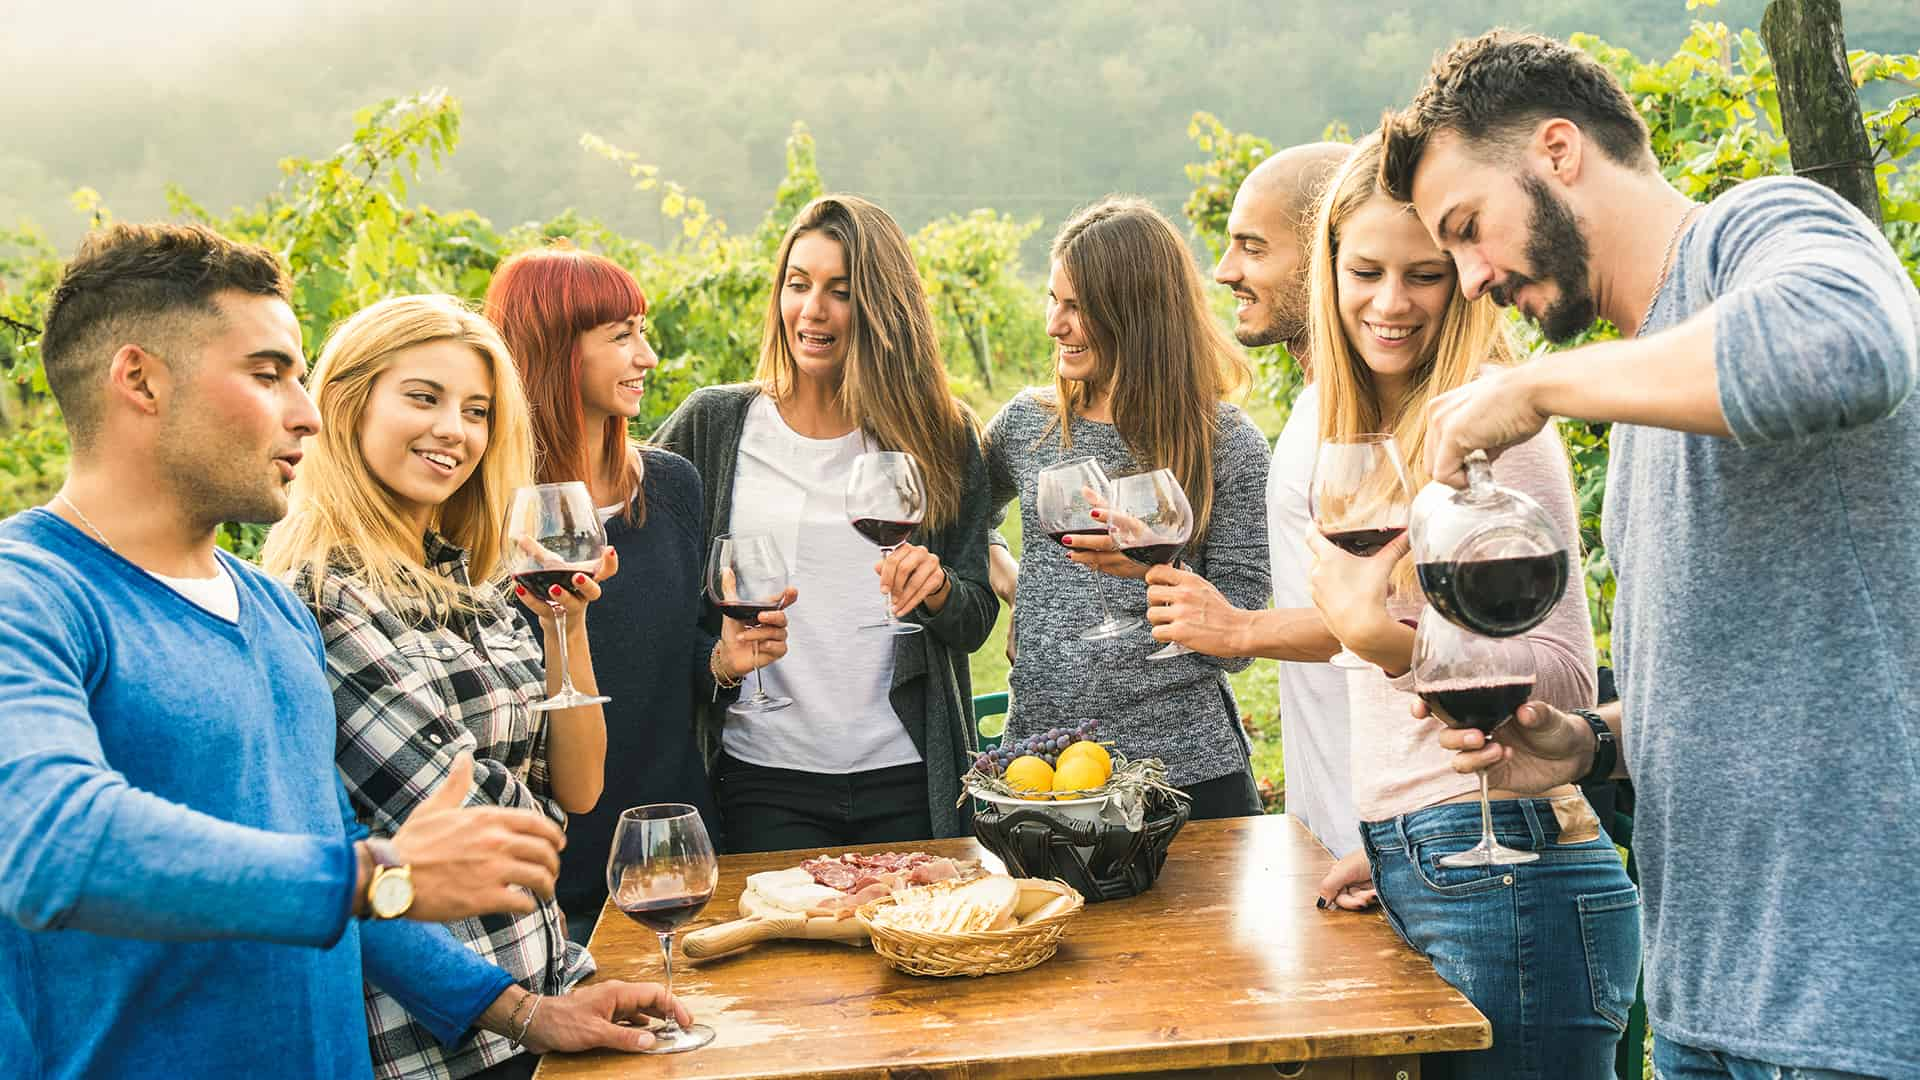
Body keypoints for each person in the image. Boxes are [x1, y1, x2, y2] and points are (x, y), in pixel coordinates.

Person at [0, 224, 688, 1080]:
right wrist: (372, 874)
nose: (307, 412)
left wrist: (523, 1011)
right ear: (139, 378)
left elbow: (340, 867)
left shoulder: (267, 615)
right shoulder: (28, 595)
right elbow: (50, 844)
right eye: (267, 374)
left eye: (301, 375)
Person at [1380, 30, 1920, 1080]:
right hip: (1705, 1014)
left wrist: (1536, 389)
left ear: (1560, 150)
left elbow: (1849, 341)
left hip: (1855, 1009)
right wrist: (1587, 744)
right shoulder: (1643, 402)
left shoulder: (1758, 230)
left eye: (1467, 229)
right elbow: (1733, 686)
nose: (1472, 277)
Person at [1312, 133, 1638, 1077]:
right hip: (1435, 862)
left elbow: (1571, 673)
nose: (1391, 302)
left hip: (1517, 875)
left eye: (1424, 274)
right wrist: (1394, 838)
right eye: (1365, 270)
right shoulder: (1355, 438)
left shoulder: (1491, 434)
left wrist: (1393, 646)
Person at [262, 293, 653, 1079]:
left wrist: (562, 629)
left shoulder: (469, 587)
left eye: (477, 411)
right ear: (346, 405)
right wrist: (529, 792)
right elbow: (487, 832)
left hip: (546, 993)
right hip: (441, 1043)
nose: (455, 430)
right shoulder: (320, 595)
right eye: (423, 397)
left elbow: (577, 787)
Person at [652, 194, 996, 852]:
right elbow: (650, 591)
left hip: (908, 772)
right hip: (762, 774)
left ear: (881, 306)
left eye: (841, 291)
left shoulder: (941, 435)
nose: (812, 310)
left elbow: (976, 618)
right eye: (798, 284)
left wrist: (941, 590)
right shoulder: (715, 425)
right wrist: (718, 664)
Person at [484, 247, 791, 938]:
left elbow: (674, 650)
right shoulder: (492, 521)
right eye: (621, 337)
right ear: (554, 352)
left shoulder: (672, 487)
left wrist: (721, 661)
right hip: (549, 879)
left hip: (672, 850)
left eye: (641, 331)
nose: (647, 356)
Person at [984, 196, 1271, 818]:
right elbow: (961, 524)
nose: (1053, 325)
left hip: (1188, 772)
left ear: (1136, 315)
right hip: (1043, 770)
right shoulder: (1025, 426)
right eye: (1052, 300)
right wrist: (1018, 588)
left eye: (1076, 307)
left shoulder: (1229, 443)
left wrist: (1148, 571)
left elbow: (1243, 636)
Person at [1142, 141, 1362, 853]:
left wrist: (1239, 628)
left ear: (1329, 253)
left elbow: (1398, 619)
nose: (1226, 270)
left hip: (1402, 833)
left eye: (1253, 248)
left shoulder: (1369, 419)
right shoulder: (1314, 407)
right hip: (1346, 828)